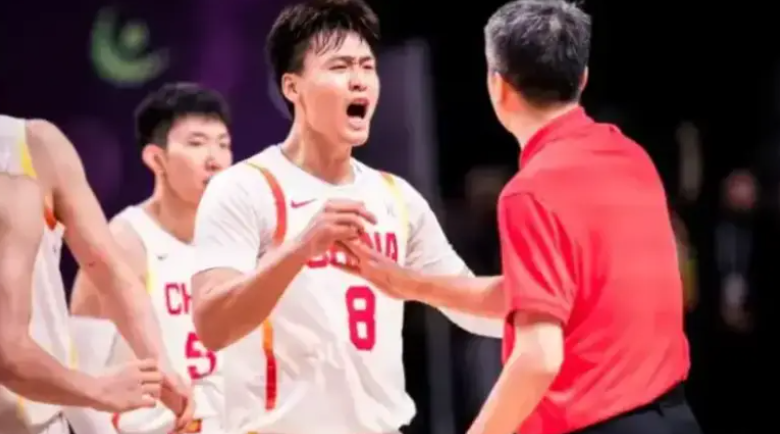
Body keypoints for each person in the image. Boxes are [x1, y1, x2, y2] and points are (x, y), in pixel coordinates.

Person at [344, 1, 700, 434]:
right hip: (675, 418)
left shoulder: (530, 191)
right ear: (582, 78)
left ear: (497, 85)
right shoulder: (630, 155)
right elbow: (544, 296)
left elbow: (538, 357)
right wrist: (413, 284)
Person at [188, 1, 501, 433]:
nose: (359, 80)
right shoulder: (244, 188)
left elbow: (469, 305)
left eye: (367, 67)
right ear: (293, 87)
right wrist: (301, 247)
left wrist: (546, 305)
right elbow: (212, 326)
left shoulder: (396, 198)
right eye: (339, 66)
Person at [0, 115, 192, 434]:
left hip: (43, 416)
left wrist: (160, 363)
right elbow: (9, 354)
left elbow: (109, 269)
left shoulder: (35, 145)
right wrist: (98, 389)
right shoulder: (14, 186)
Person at [69, 83, 233, 434]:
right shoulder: (124, 242)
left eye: (223, 144)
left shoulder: (237, 240)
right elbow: (79, 373)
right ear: (156, 159)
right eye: (197, 143)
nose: (215, 159)